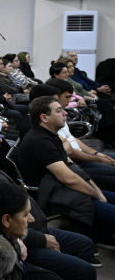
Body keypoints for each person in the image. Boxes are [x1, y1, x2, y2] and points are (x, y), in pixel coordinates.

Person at [0, 116, 99, 280]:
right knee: (85, 273)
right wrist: (40, 239)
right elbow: (0, 224)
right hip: (23, 239)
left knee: (84, 244)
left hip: (34, 226)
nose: (0, 140)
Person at [14, 96, 115, 245]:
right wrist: (97, 195)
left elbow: (74, 168)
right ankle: (89, 240)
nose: (65, 113)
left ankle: (98, 234)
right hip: (53, 194)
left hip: (63, 187)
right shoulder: (40, 141)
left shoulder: (50, 135)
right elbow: (69, 179)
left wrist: (97, 191)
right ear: (44, 118)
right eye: (59, 110)